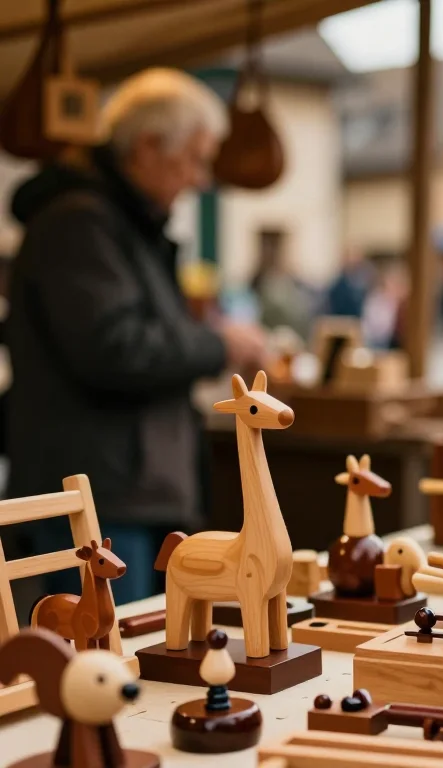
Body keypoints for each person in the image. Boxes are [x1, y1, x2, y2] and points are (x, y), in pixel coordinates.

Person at [5, 68, 269, 605]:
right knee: (100, 668)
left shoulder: (121, 223)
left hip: (124, 488)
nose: (200, 179)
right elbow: (114, 348)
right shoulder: (80, 224)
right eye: (195, 158)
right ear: (147, 147)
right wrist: (218, 345)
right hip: (96, 496)